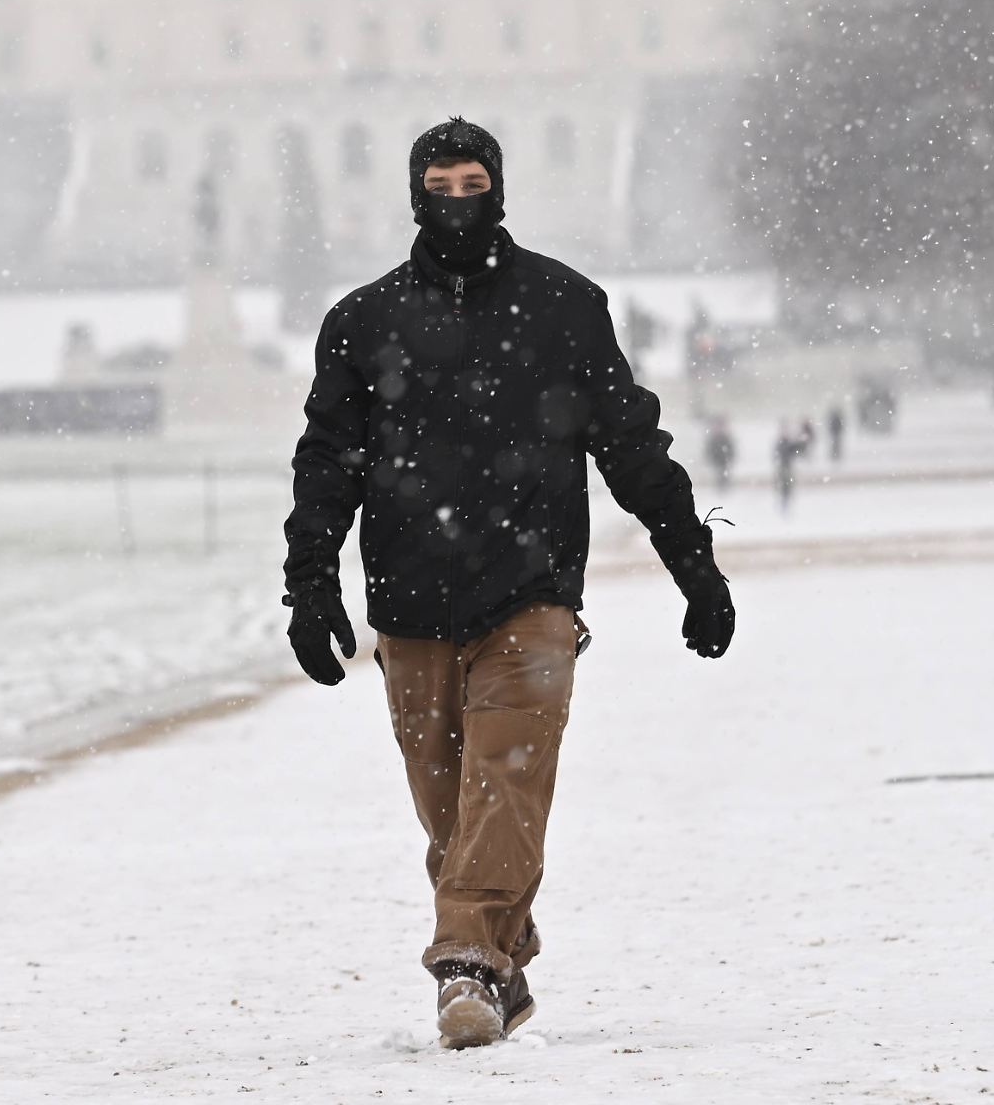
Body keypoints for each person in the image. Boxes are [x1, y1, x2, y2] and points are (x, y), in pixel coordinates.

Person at [282, 117, 734, 1051]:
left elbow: (630, 444)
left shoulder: (564, 305)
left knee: (508, 787)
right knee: (452, 809)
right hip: (409, 600)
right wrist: (310, 582)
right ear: (416, 195)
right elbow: (328, 460)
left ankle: (469, 971)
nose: (457, 204)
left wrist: (693, 563)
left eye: (472, 184)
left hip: (531, 590)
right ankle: (501, 945)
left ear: (500, 188)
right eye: (441, 187)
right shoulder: (363, 323)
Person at [705, 413, 736, 489]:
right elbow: (709, 451)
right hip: (718, 461)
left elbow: (731, 450)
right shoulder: (714, 439)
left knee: (722, 473)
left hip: (722, 461)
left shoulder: (725, 438)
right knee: (720, 474)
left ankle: (723, 486)